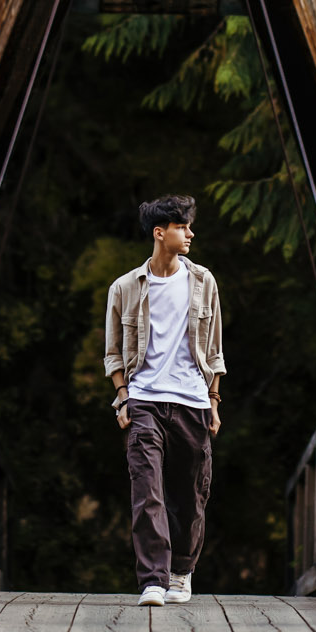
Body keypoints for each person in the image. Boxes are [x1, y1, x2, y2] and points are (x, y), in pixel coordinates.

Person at [102, 194, 225, 605]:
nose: (190, 234)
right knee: (147, 490)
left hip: (192, 401)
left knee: (191, 495)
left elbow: (215, 350)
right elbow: (114, 353)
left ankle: (181, 572)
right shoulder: (124, 288)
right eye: (182, 227)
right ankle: (152, 580)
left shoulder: (204, 282)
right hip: (144, 401)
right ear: (161, 233)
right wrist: (122, 397)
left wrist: (214, 400)